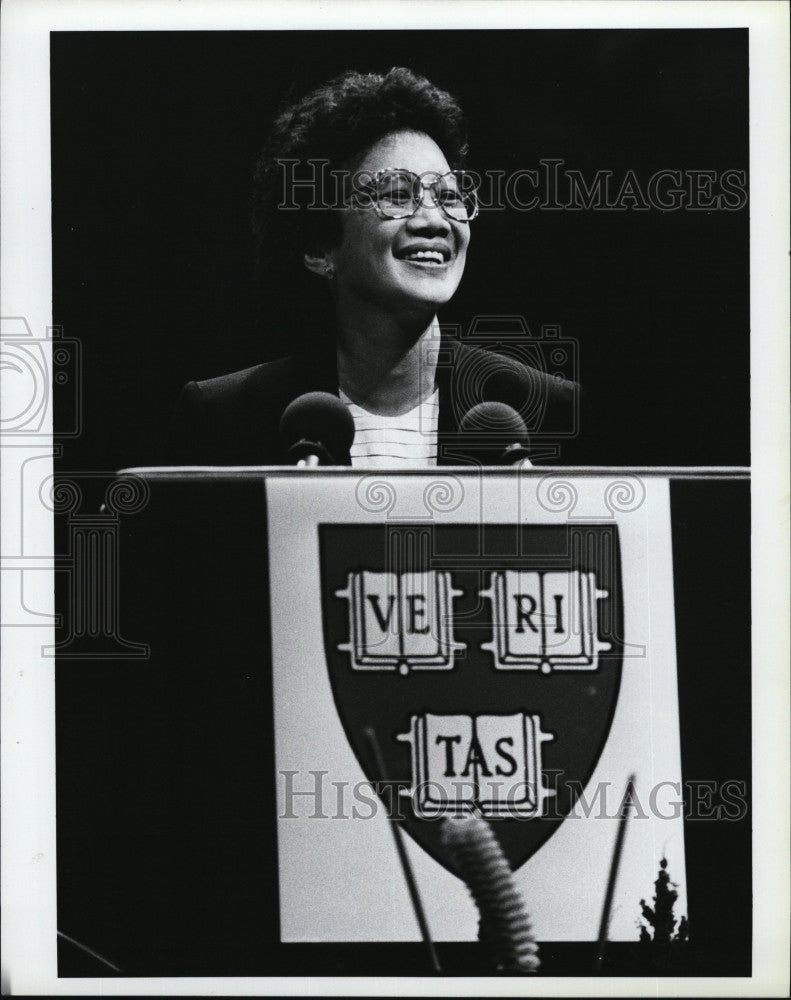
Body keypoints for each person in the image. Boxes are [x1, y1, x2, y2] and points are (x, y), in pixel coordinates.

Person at [168, 67, 580, 467]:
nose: (435, 221)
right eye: (398, 195)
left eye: (449, 196)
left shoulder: (551, 412)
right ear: (320, 246)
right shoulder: (226, 419)